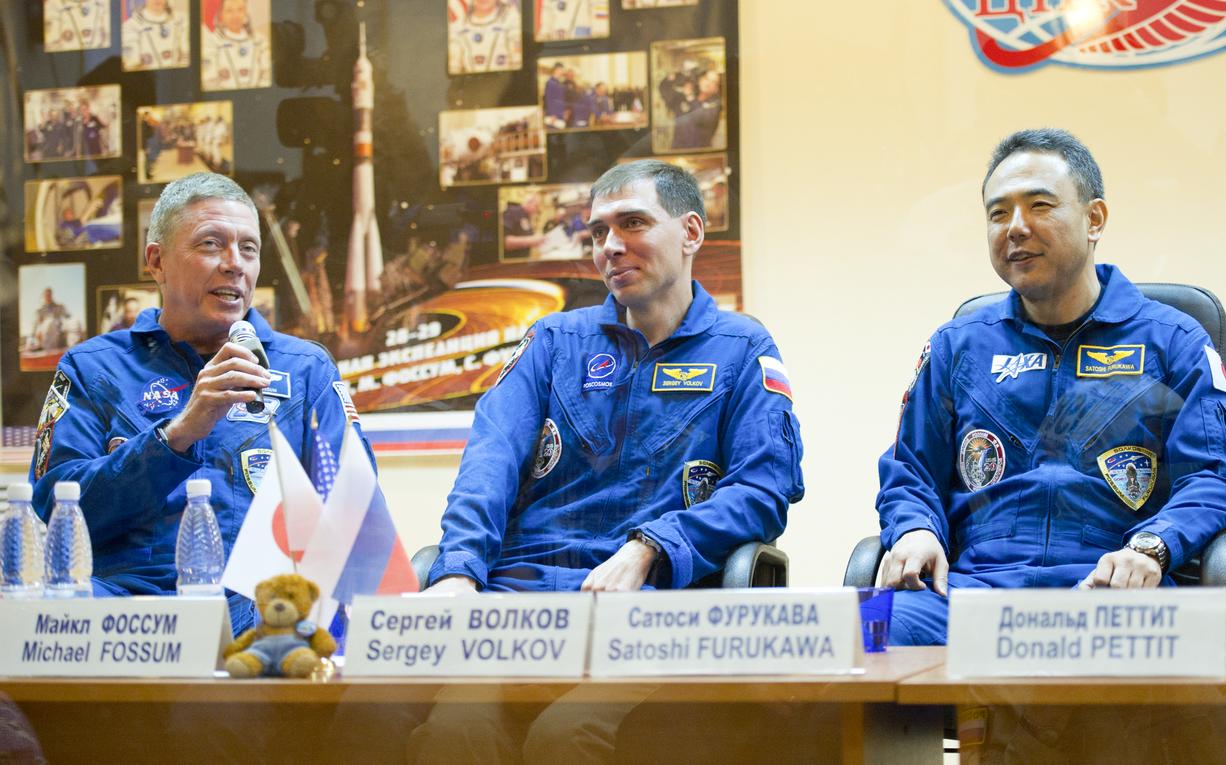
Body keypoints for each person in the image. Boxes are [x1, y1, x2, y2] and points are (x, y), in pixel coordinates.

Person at [411, 160, 804, 762]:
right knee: (451, 734)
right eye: (597, 232)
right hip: (524, 608)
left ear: (691, 233)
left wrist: (650, 546)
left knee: (565, 737)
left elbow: (762, 489)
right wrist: (459, 570)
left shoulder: (742, 349)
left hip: (653, 617)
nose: (610, 246)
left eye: (634, 223)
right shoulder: (553, 342)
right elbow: (488, 462)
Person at [876, 128, 1226, 647]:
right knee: (852, 638)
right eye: (998, 213)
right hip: (972, 596)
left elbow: (1222, 474)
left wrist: (1154, 547)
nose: (1015, 228)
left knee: (1168, 658)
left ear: (1094, 218)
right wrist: (915, 529)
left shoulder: (1172, 340)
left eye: (1039, 205)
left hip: (1109, 594)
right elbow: (911, 471)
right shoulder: (958, 347)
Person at [28, 172, 372, 634]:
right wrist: (175, 436)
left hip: (265, 619)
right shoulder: (94, 368)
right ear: (157, 261)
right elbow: (55, 514)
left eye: (249, 249)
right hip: (129, 618)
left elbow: (356, 515)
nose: (235, 265)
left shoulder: (306, 369)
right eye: (211, 244)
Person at [201, 0, 271, 91]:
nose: (236, 16)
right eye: (229, 11)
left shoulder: (260, 40)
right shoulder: (212, 42)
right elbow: (208, 81)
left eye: (240, 10)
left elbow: (268, 75)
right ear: (221, 14)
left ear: (245, 12)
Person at [447, 0, 521, 74]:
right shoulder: (457, 27)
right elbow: (454, 69)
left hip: (505, 83)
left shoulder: (512, 20)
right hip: (471, 83)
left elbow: (517, 65)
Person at [121, 0, 190, 72]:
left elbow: (190, 57)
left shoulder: (182, 21)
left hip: (178, 78)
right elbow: (131, 65)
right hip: (147, 80)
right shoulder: (130, 26)